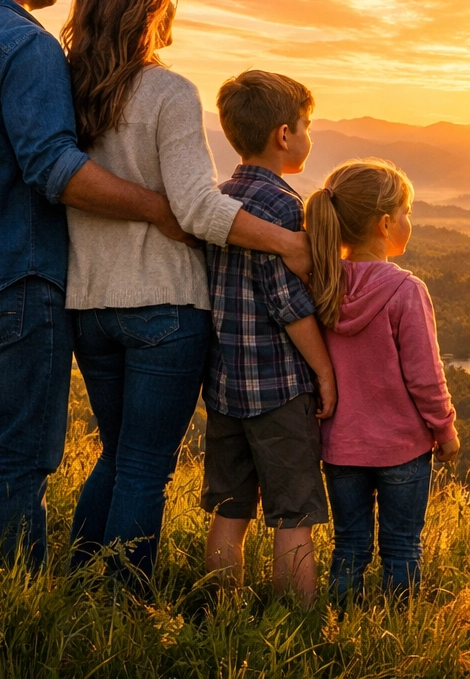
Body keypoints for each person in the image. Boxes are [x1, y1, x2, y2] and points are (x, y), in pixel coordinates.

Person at [0, 0, 309, 568]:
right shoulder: (47, 56)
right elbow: (79, 175)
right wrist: (192, 218)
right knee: (71, 462)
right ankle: (47, 597)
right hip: (83, 293)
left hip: (24, 297)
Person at [61, 0, 246, 583]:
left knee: (118, 457)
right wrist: (288, 243)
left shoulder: (64, 88)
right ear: (154, 6)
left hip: (89, 305)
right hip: (165, 305)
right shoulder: (169, 92)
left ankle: (78, 583)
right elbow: (197, 208)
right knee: (143, 469)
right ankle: (120, 605)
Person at [201, 70, 337, 607]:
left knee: (230, 508)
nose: (309, 135)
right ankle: (296, 623)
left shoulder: (217, 200)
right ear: (284, 135)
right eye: (306, 125)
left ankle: (217, 612)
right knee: (294, 514)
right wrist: (325, 372)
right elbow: (288, 304)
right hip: (279, 389)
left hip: (225, 386)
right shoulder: (285, 208)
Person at [303, 158, 459, 600]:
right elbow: (425, 377)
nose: (410, 220)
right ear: (386, 224)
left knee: (349, 547)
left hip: (341, 447)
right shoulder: (406, 290)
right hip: (403, 449)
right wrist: (444, 429)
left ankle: (340, 627)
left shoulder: (322, 283)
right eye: (407, 212)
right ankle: (394, 639)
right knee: (402, 548)